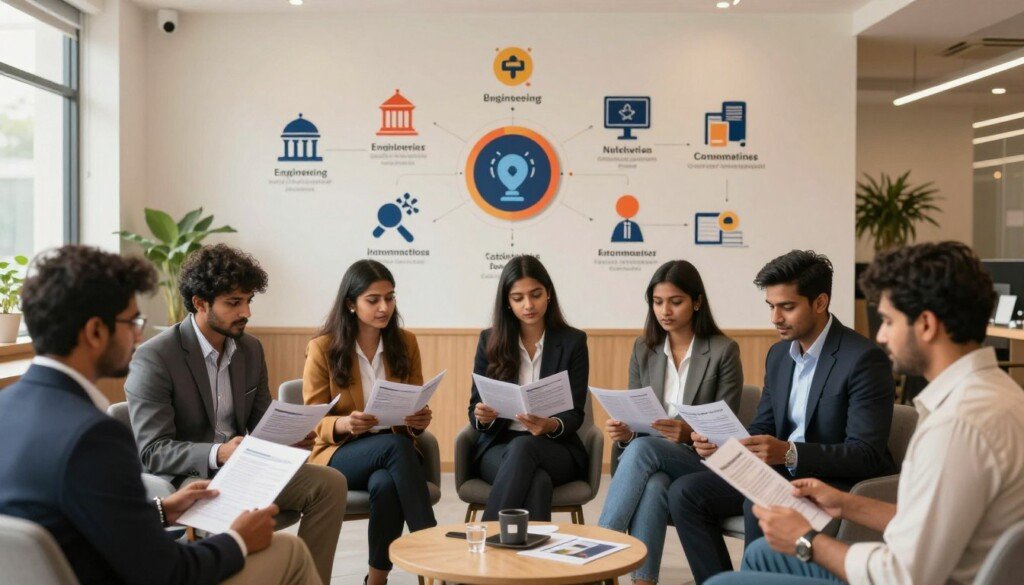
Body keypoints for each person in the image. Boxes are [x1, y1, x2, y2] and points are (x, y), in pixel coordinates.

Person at [707, 241, 1024, 585]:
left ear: (927, 325)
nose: (882, 335)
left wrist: (806, 540)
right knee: (758, 554)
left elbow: (904, 575)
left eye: (888, 320)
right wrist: (845, 503)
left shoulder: (956, 426)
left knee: (722, 583)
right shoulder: (998, 395)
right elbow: (928, 521)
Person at [0, 245, 320, 584]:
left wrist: (161, 510)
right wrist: (239, 540)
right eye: (132, 322)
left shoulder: (7, 409)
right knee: (290, 552)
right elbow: (170, 572)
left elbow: (85, 520)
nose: (138, 335)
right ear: (95, 331)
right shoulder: (95, 437)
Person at [668, 250, 896, 583]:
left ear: (820, 303)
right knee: (684, 493)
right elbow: (763, 427)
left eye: (787, 307)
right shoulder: (779, 355)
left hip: (833, 481)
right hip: (778, 473)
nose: (775, 318)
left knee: (754, 503)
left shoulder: (863, 360)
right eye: (771, 307)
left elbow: (866, 454)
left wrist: (789, 452)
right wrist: (724, 443)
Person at [124, 244, 347, 585]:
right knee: (222, 511)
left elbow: (261, 425)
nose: (246, 312)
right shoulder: (156, 357)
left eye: (248, 301)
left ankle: (310, 578)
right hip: (193, 479)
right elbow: (154, 451)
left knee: (330, 483)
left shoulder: (250, 349)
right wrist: (219, 453)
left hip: (248, 468)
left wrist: (291, 438)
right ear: (200, 303)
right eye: (233, 303)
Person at [598, 260, 744, 585]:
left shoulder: (723, 351)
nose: (665, 311)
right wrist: (625, 432)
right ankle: (643, 582)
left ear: (696, 301)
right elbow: (636, 411)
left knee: (645, 449)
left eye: (675, 302)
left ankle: (599, 548)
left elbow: (725, 427)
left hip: (705, 461)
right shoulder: (643, 348)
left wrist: (687, 432)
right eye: (658, 302)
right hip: (653, 460)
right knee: (654, 483)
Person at [303, 259, 437, 585]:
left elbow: (413, 408)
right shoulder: (323, 348)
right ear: (351, 303)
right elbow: (313, 419)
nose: (384, 307)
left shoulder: (406, 343)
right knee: (395, 447)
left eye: (389, 298)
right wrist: (345, 424)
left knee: (386, 484)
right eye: (373, 300)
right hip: (342, 454)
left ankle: (375, 581)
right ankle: (435, 552)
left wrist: (418, 419)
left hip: (392, 452)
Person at [468, 255, 590, 521]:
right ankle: (533, 560)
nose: (528, 305)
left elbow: (576, 414)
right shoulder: (489, 340)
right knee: (538, 481)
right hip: (499, 447)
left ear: (548, 294)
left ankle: (487, 539)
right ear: (507, 303)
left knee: (525, 447)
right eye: (518, 298)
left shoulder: (573, 342)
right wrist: (483, 417)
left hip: (556, 447)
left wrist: (550, 425)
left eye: (536, 294)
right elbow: (474, 410)